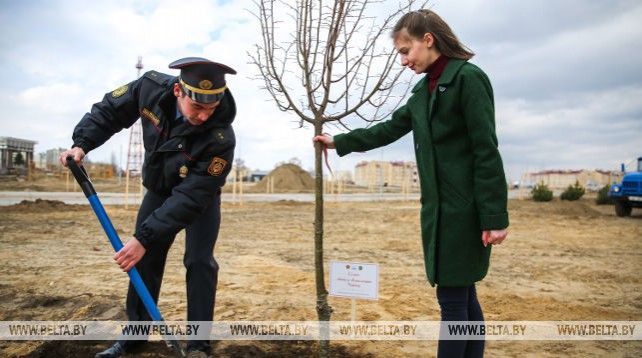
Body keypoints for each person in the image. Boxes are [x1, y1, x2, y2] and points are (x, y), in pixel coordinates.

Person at [314, 10, 508, 358]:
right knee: (464, 296)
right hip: (438, 212)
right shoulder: (423, 91)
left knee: (452, 302)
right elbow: (388, 129)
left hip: (464, 212)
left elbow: (486, 150)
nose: (403, 61)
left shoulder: (469, 79)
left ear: (428, 40)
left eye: (406, 51)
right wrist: (338, 141)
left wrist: (494, 216)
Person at [60, 57, 237, 358]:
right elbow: (110, 111)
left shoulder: (221, 138)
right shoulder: (150, 89)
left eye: (211, 109)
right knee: (145, 261)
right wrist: (82, 143)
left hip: (198, 198)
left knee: (199, 262)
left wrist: (144, 236)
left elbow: (191, 197)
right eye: (198, 108)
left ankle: (198, 346)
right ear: (179, 92)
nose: (205, 116)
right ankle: (135, 337)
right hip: (158, 188)